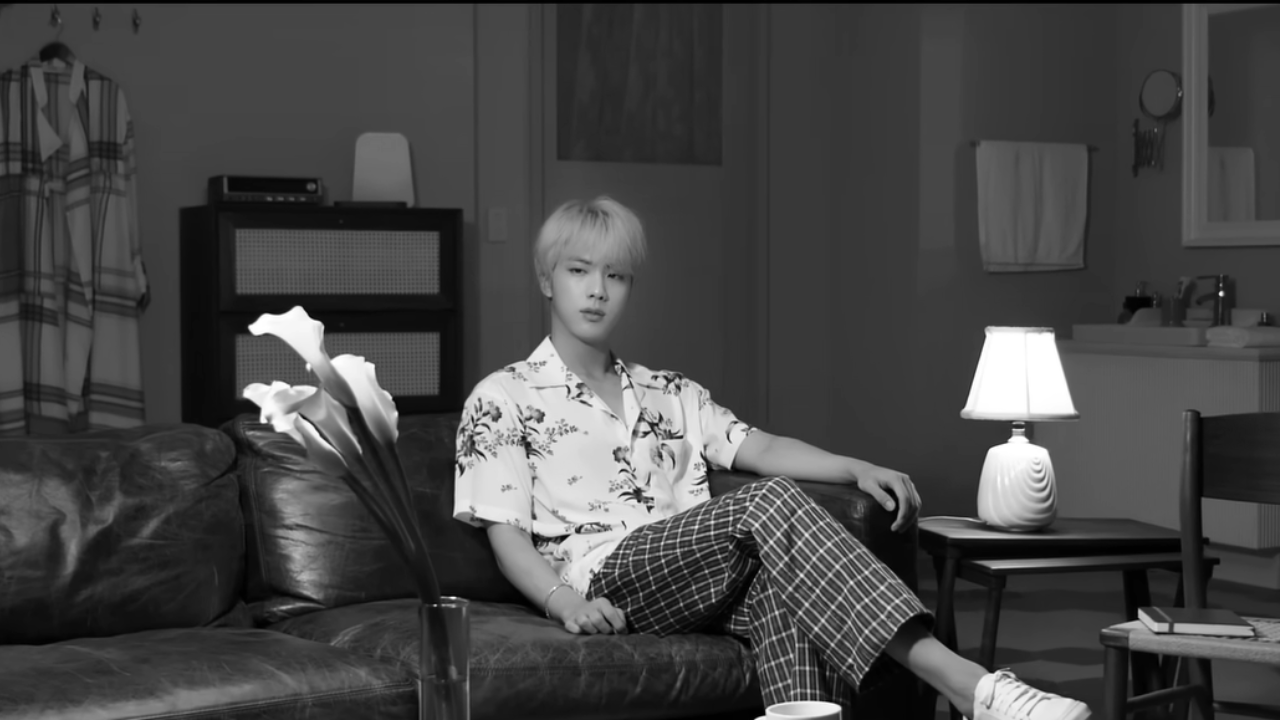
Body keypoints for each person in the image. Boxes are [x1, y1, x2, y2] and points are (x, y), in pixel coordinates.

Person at [453, 197, 1092, 720]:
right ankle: (970, 685)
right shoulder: (502, 396)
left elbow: (758, 447)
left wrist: (854, 468)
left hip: (692, 575)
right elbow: (507, 536)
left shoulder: (668, 390)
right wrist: (564, 602)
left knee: (784, 592)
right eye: (578, 271)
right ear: (547, 279)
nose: (597, 291)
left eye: (615, 276)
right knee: (772, 501)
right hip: (605, 577)